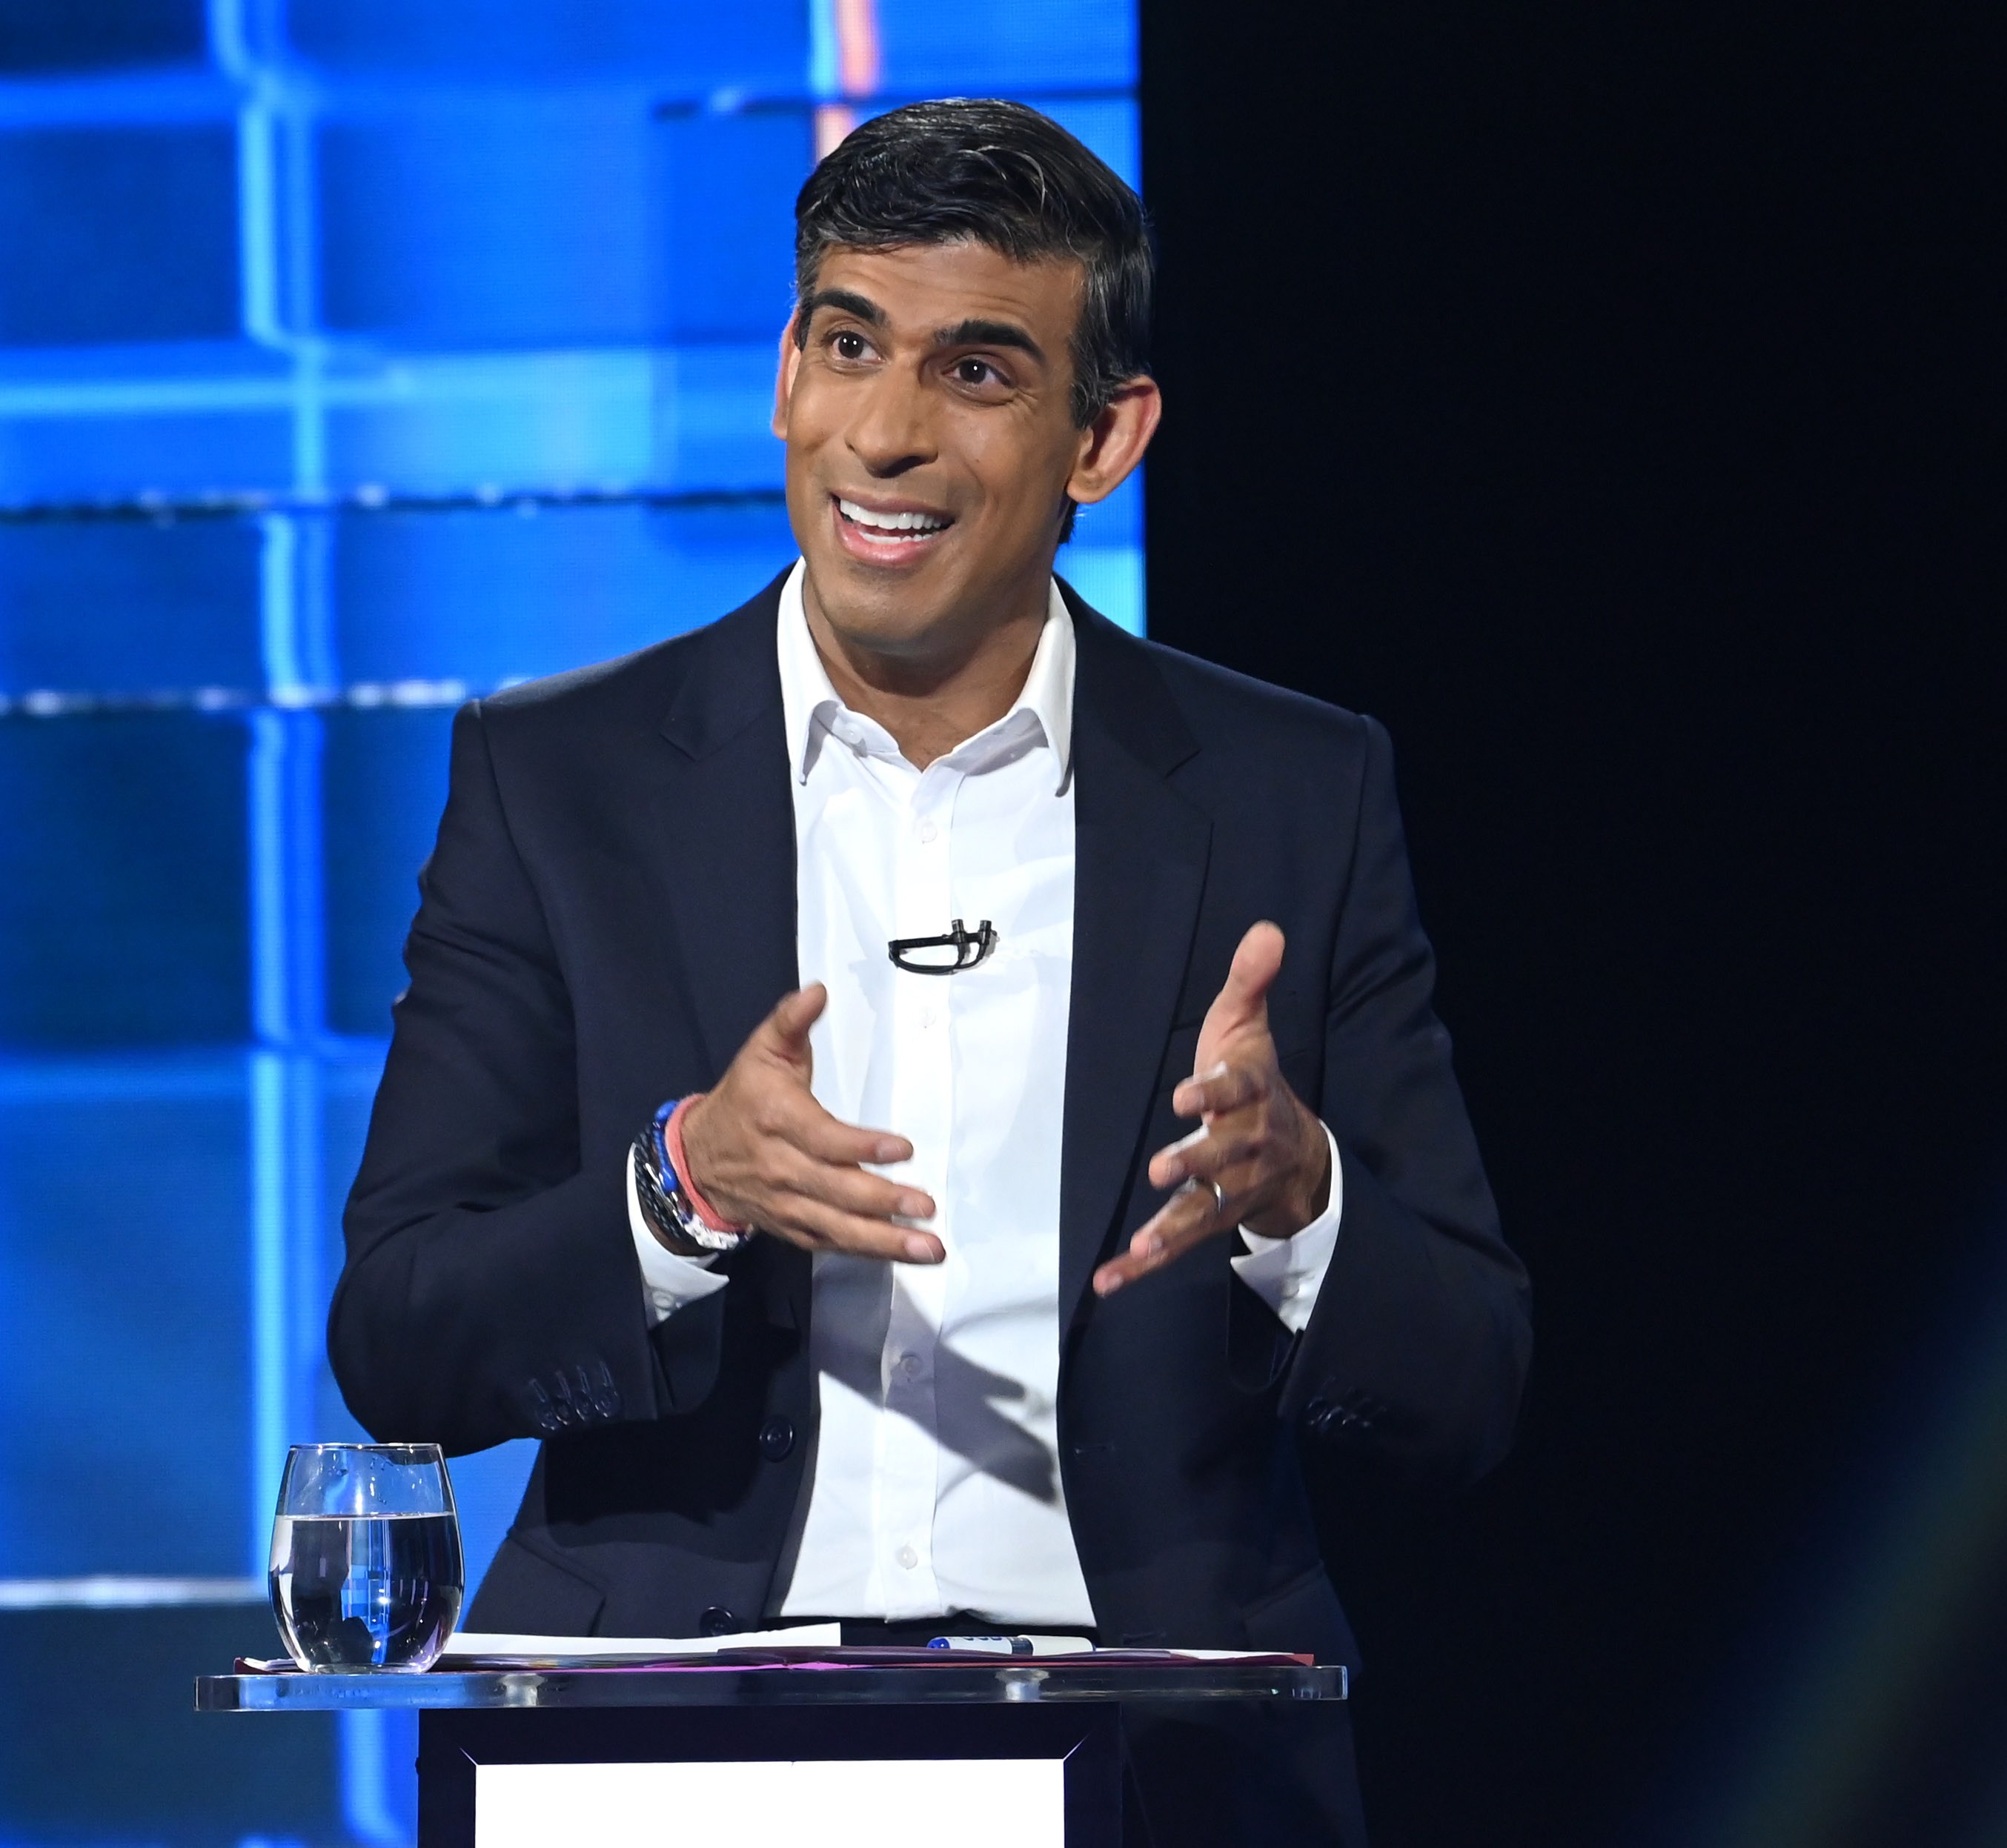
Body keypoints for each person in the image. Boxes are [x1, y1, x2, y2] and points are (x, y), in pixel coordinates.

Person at [331, 97, 1530, 1845]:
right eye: (847, 346)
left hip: (1152, 1752)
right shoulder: (562, 777)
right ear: (784, 378)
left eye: (975, 372)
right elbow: (401, 1338)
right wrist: (680, 1189)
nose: (884, 434)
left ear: (1102, 438)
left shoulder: (1292, 788)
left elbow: (1471, 1378)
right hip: (658, 1756)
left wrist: (1302, 1200)